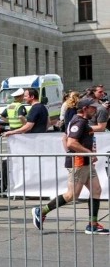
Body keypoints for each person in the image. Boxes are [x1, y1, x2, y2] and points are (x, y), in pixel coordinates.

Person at [31, 98, 108, 234]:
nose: (95, 110)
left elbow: (65, 138)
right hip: (79, 163)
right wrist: (89, 153)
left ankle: (93, 225)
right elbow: (71, 142)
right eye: (93, 108)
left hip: (86, 162)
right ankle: (41, 210)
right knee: (71, 195)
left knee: (96, 190)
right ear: (85, 109)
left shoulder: (81, 121)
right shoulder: (78, 121)